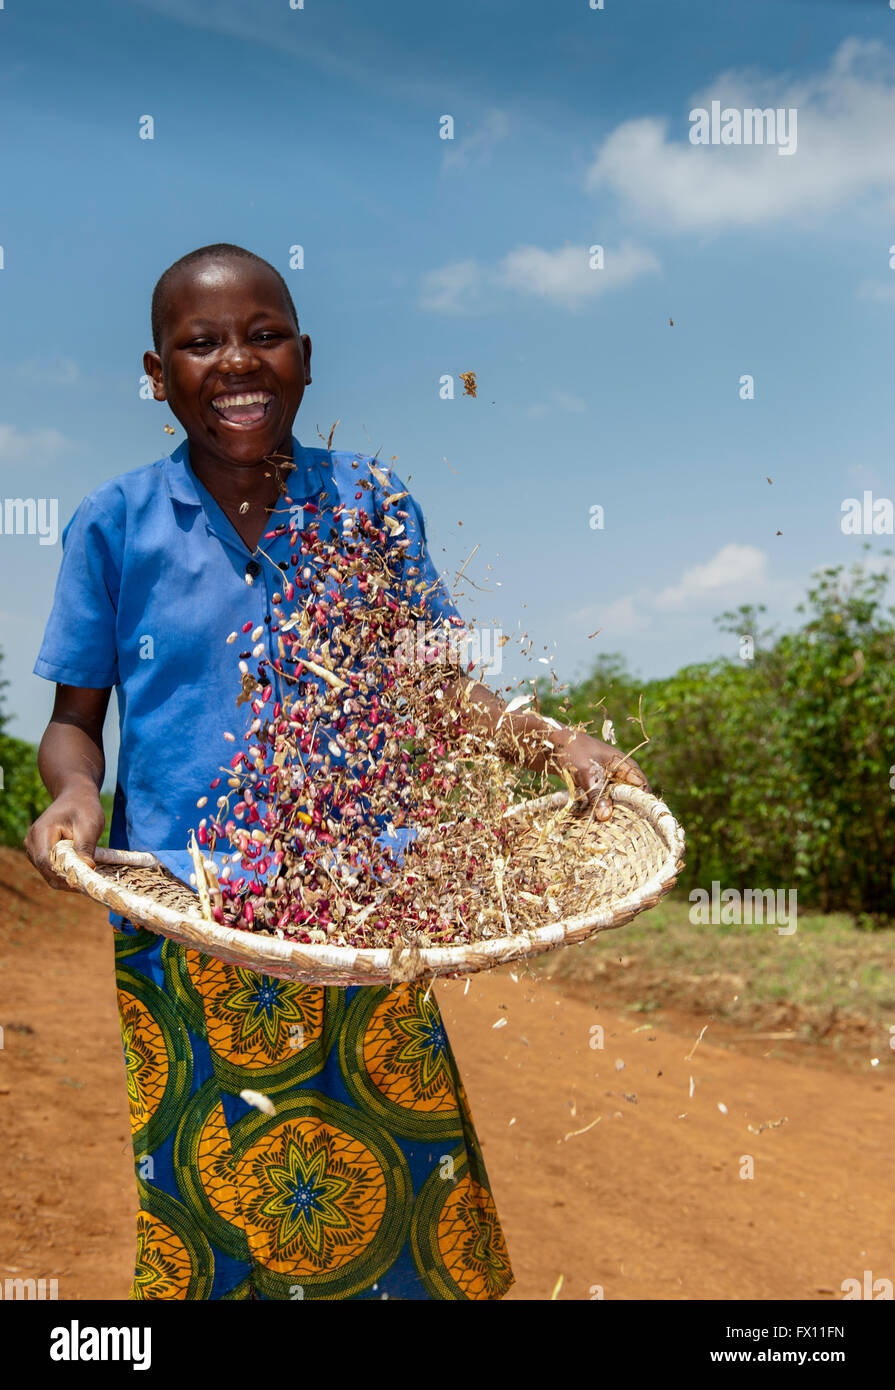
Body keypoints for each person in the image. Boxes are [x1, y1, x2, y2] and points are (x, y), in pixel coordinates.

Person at [24, 243, 649, 1300]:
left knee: (400, 1178)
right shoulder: (114, 525)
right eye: (201, 342)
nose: (237, 363)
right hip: (186, 909)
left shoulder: (366, 503)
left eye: (264, 335)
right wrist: (76, 795)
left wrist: (554, 742)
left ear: (305, 358)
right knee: (217, 1185)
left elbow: (438, 685)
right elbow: (74, 722)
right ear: (154, 370)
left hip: (359, 903)